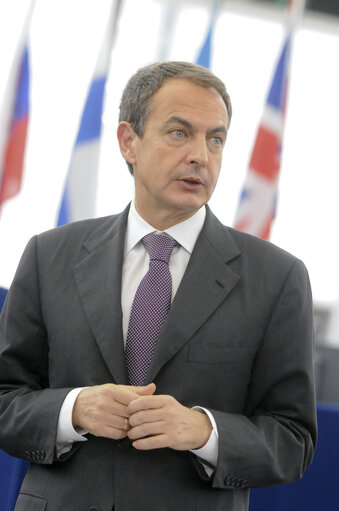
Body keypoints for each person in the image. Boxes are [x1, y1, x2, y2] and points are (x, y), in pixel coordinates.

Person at [0, 61, 316, 511]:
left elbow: (294, 439)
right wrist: (72, 410)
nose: (201, 156)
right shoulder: (48, 256)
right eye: (179, 132)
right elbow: (5, 398)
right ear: (129, 141)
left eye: (216, 139)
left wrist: (203, 431)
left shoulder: (277, 278)